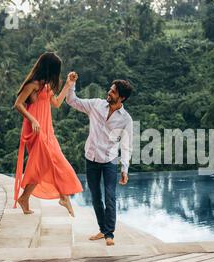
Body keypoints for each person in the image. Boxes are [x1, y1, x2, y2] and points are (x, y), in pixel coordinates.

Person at [65, 72, 133, 246]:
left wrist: (125, 169)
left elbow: (126, 146)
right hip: (91, 158)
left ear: (122, 98)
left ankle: (109, 233)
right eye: (110, 90)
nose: (109, 93)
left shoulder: (126, 120)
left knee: (110, 196)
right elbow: (73, 101)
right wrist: (71, 84)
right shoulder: (96, 105)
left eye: (113, 92)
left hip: (110, 160)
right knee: (96, 196)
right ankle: (103, 230)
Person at [13, 52, 83, 217]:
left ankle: (26, 198)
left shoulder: (47, 86)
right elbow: (18, 104)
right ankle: (63, 196)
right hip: (35, 129)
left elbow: (57, 103)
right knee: (48, 162)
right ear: (48, 68)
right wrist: (33, 120)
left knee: (45, 164)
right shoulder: (33, 84)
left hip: (47, 130)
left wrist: (68, 84)